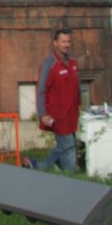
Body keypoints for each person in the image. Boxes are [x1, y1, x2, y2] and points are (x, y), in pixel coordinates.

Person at [36, 28, 81, 172]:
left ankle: (40, 168)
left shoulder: (73, 63)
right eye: (63, 41)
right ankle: (71, 180)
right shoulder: (49, 64)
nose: (66, 44)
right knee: (68, 147)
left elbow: (76, 88)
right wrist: (43, 114)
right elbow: (41, 90)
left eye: (68, 41)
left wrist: (80, 106)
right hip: (57, 115)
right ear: (55, 43)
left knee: (65, 147)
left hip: (71, 115)